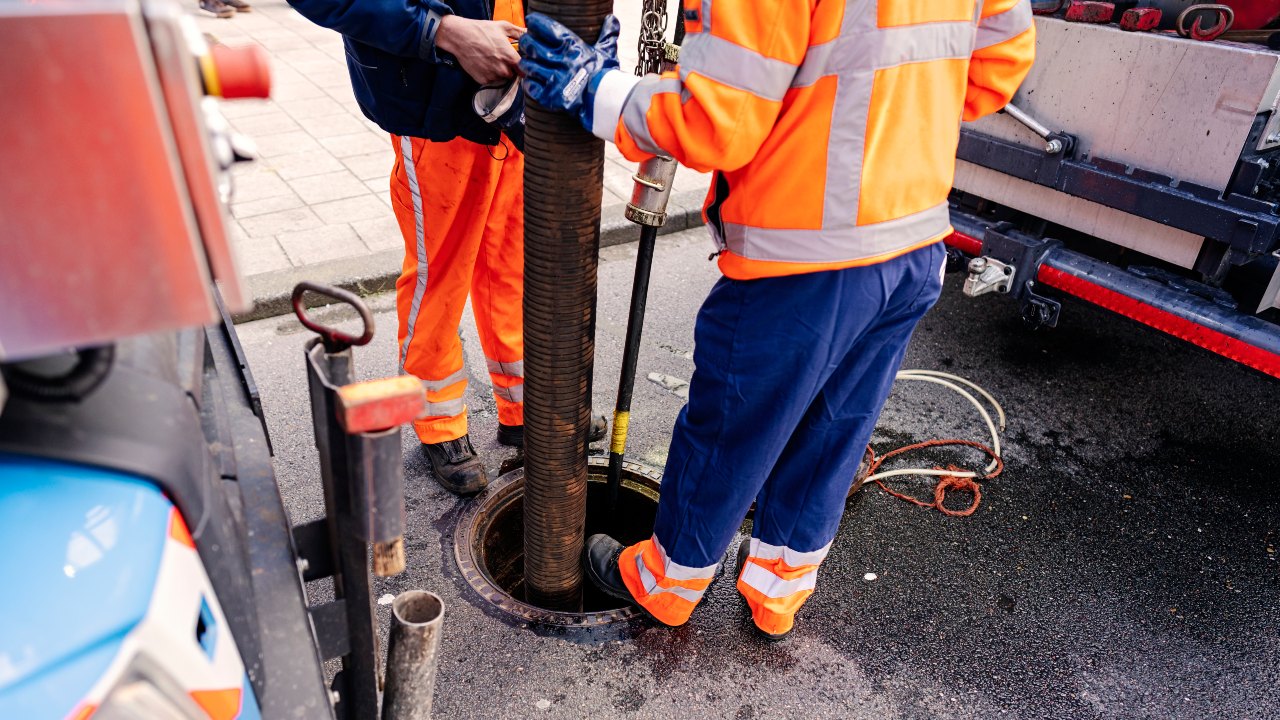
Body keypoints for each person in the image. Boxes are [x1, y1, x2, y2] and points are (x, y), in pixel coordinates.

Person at [520, 0, 1035, 639]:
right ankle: (777, 593)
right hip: (913, 239)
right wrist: (890, 125)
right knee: (833, 428)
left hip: (806, 257)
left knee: (734, 426)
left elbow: (716, 123)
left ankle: (667, 585)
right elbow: (997, 70)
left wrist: (597, 89)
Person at [286, 0, 603, 495]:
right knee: (442, 272)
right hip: (439, 94)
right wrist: (442, 31)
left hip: (527, 89)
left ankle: (523, 407)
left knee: (512, 264)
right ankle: (439, 424)